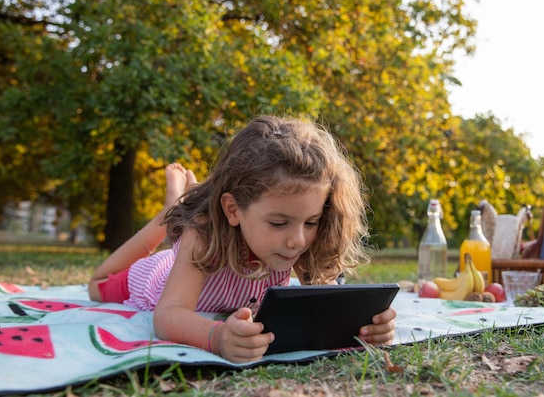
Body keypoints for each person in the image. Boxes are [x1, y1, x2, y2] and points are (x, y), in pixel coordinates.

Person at [88, 115, 396, 363]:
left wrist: (363, 326)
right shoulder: (204, 232)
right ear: (233, 210)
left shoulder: (296, 240)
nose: (298, 240)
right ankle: (170, 211)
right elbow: (168, 315)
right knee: (96, 286)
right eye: (279, 222)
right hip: (154, 277)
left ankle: (179, 207)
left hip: (190, 256)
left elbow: (323, 302)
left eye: (312, 221)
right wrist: (217, 337)